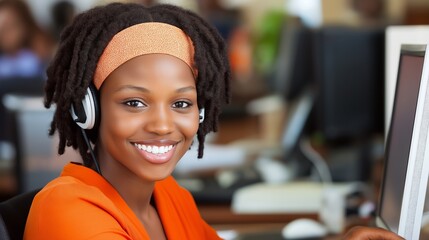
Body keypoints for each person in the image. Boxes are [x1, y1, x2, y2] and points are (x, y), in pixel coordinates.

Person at [23, 2, 403, 239]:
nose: (161, 124)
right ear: (87, 109)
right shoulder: (68, 211)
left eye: (182, 103)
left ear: (201, 112)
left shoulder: (168, 198)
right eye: (135, 102)